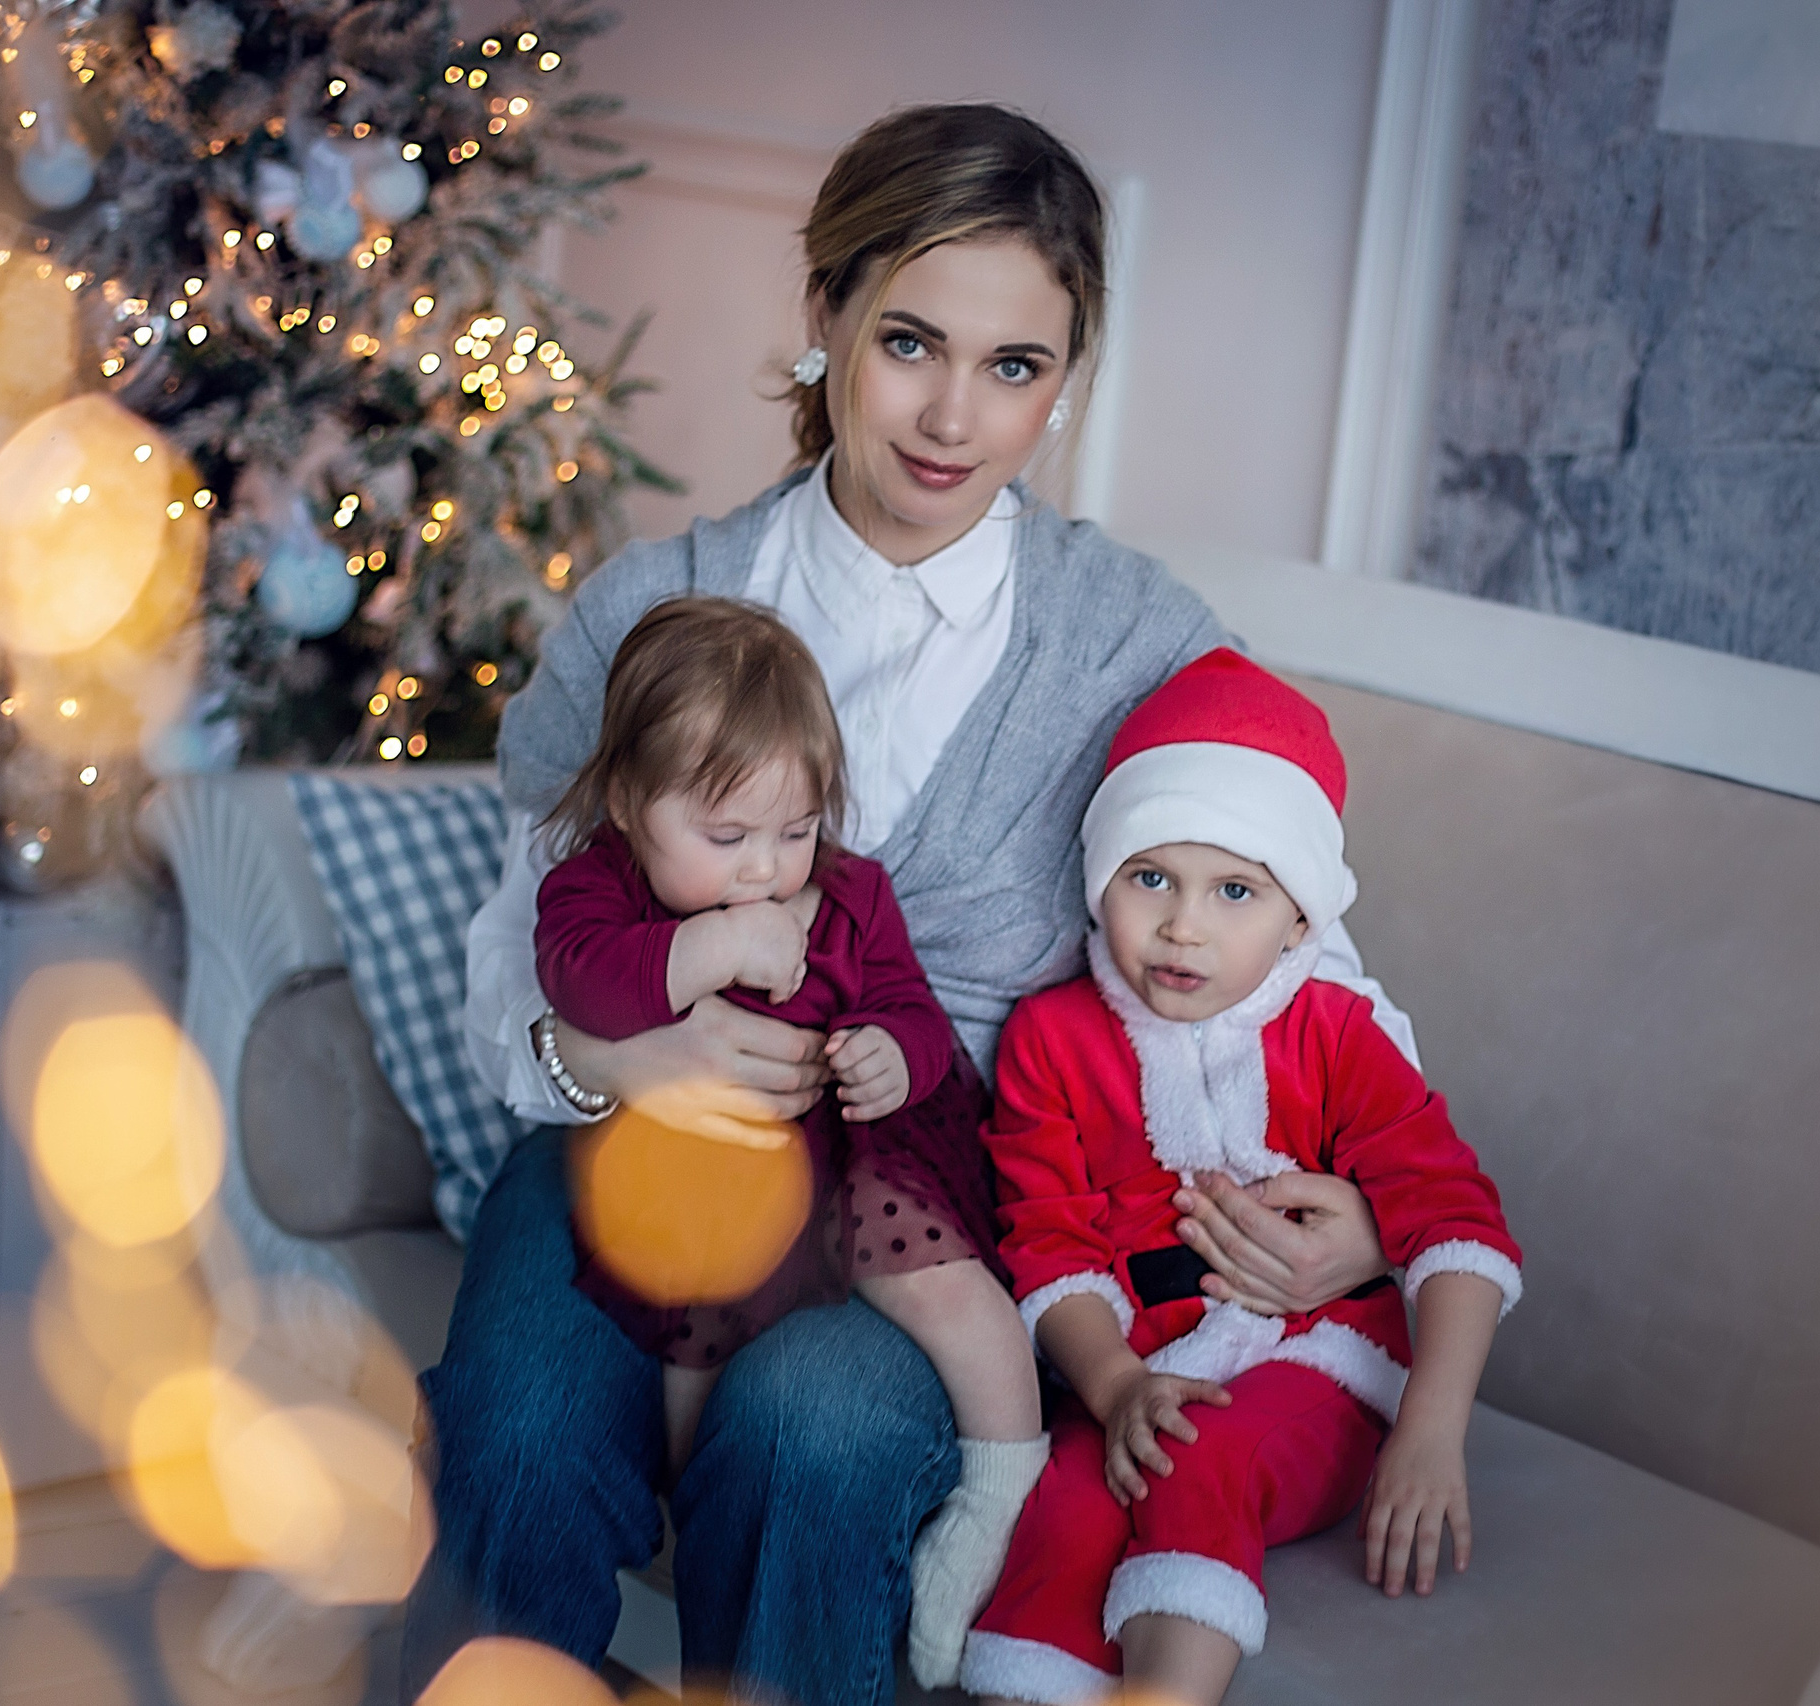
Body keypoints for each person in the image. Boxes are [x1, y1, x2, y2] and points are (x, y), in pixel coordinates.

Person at [409, 103, 1419, 1706]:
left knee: (817, 1424)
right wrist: (613, 1064)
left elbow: (1298, 955)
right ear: (821, 322)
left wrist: (1373, 1209)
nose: (954, 415)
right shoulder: (651, 612)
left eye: (1016, 367)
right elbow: (508, 942)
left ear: (1066, 379)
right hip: (632, 1146)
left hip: (929, 1192)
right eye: (908, 342)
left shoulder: (1135, 645)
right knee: (519, 1420)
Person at [962, 649, 1523, 1706]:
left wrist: (1430, 1428)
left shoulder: (1338, 1033)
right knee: (1072, 1498)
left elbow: (1457, 1226)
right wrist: (1117, 1383)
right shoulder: (1051, 1037)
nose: (1184, 925)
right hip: (1144, 1369)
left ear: (1300, 918)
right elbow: (1048, 1240)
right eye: (1149, 877)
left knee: (1198, 1455)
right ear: (1100, 879)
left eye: (1234, 889)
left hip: (1327, 1364)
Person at [531, 595, 1046, 1679]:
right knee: (685, 1332)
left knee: (934, 1276)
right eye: (726, 838)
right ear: (628, 801)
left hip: (860, 1145)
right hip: (707, 1175)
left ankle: (1006, 1479)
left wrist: (889, 1053)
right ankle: (682, 1518)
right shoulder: (598, 891)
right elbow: (582, 980)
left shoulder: (850, 895)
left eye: (796, 829)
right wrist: (713, 943)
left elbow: (911, 1007)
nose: (767, 867)